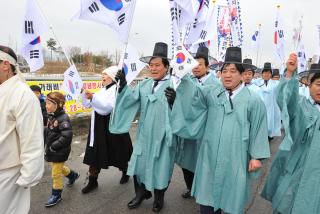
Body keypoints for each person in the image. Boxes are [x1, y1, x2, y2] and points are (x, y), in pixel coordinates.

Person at [167, 47, 270, 214]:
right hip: (210, 155)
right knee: (207, 203)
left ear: (242, 75)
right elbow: (193, 101)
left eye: (233, 71)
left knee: (232, 200)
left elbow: (258, 129)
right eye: (224, 71)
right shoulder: (211, 93)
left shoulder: (253, 100)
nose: (227, 75)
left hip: (236, 158)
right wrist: (183, 76)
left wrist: (256, 157)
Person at [110, 42, 176, 212]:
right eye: (151, 65)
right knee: (138, 165)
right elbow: (129, 100)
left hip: (163, 136)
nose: (153, 69)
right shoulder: (144, 85)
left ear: (166, 67)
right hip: (144, 135)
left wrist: (174, 102)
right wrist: (123, 86)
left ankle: (159, 197)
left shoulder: (174, 86)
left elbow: (183, 112)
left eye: (157, 65)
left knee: (161, 168)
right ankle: (140, 194)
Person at [261, 55, 320, 214]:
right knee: (286, 205)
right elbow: (286, 100)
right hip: (295, 173)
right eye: (318, 84)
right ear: (309, 85)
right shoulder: (302, 106)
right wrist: (289, 74)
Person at [0, 45, 44, 214]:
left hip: (10, 174)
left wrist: (28, 176)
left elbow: (32, 139)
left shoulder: (22, 94)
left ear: (5, 65)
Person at [174, 46, 220, 199]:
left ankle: (203, 189)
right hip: (188, 128)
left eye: (200, 64)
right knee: (186, 159)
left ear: (207, 66)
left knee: (204, 161)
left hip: (205, 129)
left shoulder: (216, 84)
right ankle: (190, 186)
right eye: (193, 64)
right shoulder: (187, 81)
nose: (196, 67)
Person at [82, 66, 133, 194]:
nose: (102, 77)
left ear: (113, 76)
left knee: (118, 152)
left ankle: (125, 171)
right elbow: (88, 104)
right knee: (95, 153)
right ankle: (93, 181)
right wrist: (85, 94)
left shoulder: (118, 90)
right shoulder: (102, 90)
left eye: (105, 74)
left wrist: (93, 97)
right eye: (102, 75)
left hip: (112, 127)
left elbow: (107, 108)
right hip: (98, 127)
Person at [44, 91, 79, 207]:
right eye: (46, 103)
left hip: (59, 150)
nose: (46, 106)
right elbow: (50, 132)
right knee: (59, 168)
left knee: (55, 173)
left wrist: (54, 146)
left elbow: (67, 136)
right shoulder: (52, 116)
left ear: (58, 104)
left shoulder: (63, 118)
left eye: (49, 103)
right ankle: (72, 175)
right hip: (53, 149)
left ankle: (56, 194)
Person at [259, 62, 282, 140]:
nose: (266, 74)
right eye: (265, 72)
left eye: (268, 72)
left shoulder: (276, 84)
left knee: (270, 122)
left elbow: (284, 85)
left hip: (271, 108)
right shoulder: (257, 83)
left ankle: (269, 135)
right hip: (260, 108)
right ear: (262, 74)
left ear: (271, 74)